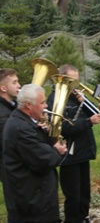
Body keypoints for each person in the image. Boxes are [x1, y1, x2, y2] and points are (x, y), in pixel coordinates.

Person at [47, 64, 100, 223]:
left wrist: (84, 100)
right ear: (63, 80)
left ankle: (84, 217)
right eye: (72, 81)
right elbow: (61, 127)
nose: (76, 85)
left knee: (84, 193)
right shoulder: (56, 99)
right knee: (73, 196)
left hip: (83, 151)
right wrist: (87, 122)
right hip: (69, 154)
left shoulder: (76, 97)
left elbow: (98, 114)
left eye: (77, 81)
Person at [3, 84, 68, 223]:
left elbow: (42, 146)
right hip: (31, 202)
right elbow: (44, 160)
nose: (46, 106)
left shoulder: (26, 123)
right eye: (42, 102)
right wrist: (58, 150)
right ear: (28, 105)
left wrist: (49, 134)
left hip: (37, 197)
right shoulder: (21, 128)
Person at [0, 68, 20, 183]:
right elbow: (12, 144)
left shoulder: (14, 106)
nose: (19, 85)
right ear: (3, 88)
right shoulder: (2, 115)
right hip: (13, 171)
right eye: (14, 82)